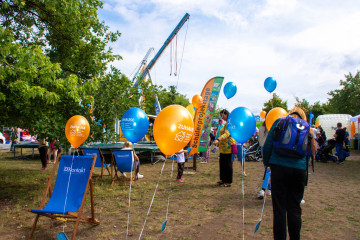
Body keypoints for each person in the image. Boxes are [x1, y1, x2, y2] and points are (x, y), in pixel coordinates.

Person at [263, 107, 316, 240]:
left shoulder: (280, 122)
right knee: (294, 208)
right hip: (299, 170)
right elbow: (309, 153)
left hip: (279, 167)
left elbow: (268, 144)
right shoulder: (307, 128)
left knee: (279, 209)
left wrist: (267, 163)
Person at [212, 109, 236, 187]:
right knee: (222, 165)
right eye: (221, 115)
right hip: (222, 148)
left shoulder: (229, 123)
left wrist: (218, 139)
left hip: (228, 148)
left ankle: (228, 182)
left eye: (223, 115)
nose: (222, 117)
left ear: (226, 114)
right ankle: (223, 180)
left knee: (228, 165)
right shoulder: (225, 123)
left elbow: (227, 134)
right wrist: (219, 142)